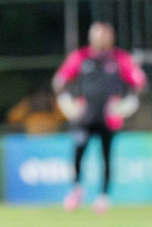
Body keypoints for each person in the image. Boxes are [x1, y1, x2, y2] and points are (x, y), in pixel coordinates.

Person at [52, 21, 146, 213]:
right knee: (78, 152)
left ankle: (103, 197)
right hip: (84, 118)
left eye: (105, 34)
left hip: (109, 119)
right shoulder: (80, 57)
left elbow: (140, 84)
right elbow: (59, 81)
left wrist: (125, 104)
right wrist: (69, 102)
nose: (101, 38)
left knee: (106, 158)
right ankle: (76, 189)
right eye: (98, 34)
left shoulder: (120, 58)